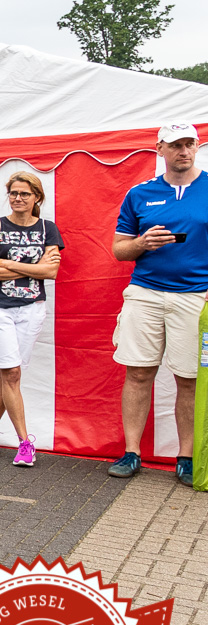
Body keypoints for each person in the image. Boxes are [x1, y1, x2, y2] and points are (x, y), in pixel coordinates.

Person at [109, 123, 208, 483]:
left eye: (190, 144)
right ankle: (131, 452)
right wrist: (142, 243)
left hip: (195, 296)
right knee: (137, 372)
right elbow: (119, 249)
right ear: (160, 149)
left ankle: (185, 457)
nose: (184, 151)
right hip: (146, 293)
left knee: (189, 379)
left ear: (197, 147)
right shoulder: (139, 193)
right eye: (175, 145)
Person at [0, 172, 63, 468]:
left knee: (8, 373)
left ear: (37, 197)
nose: (18, 198)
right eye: (13, 193)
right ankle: (25, 442)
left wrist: (9, 263)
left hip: (31, 308)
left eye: (25, 194)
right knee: (11, 373)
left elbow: (51, 272)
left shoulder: (48, 229)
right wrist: (31, 267)